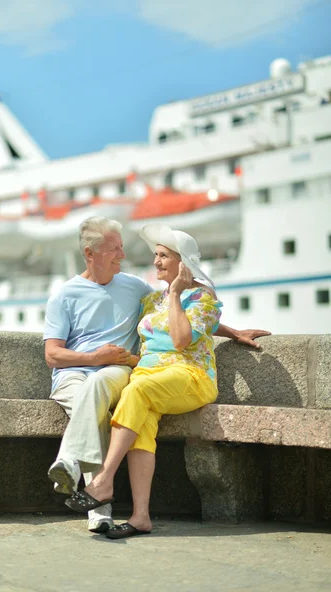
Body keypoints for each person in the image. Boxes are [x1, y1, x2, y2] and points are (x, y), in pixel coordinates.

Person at [43, 217, 270, 534]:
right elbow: (52, 353)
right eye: (157, 255)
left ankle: (103, 482)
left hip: (185, 375)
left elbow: (184, 335)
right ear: (89, 253)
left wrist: (227, 328)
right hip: (144, 377)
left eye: (163, 255)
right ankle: (141, 517)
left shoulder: (195, 296)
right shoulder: (150, 299)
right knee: (141, 425)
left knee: (132, 392)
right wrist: (171, 298)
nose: (153, 261)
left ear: (184, 262)